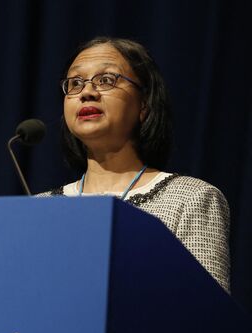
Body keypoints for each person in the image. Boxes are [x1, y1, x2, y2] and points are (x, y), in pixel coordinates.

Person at [38, 37, 230, 292]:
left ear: (144, 105)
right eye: (75, 83)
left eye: (106, 80)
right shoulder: (38, 207)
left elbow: (207, 316)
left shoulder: (191, 199)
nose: (87, 92)